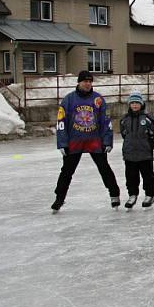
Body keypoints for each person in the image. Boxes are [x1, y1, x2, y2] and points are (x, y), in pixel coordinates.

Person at [51, 70, 120, 211]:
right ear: (79, 82)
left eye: (90, 81)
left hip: (94, 140)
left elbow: (105, 121)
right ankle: (59, 198)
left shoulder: (98, 99)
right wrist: (62, 143)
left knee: (104, 168)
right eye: (85, 81)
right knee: (66, 171)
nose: (88, 84)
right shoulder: (69, 99)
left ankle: (114, 195)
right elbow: (61, 122)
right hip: (74, 141)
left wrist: (107, 141)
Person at [119, 91, 154, 209]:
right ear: (129, 105)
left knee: (147, 176)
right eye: (132, 103)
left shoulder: (148, 118)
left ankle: (149, 195)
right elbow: (124, 134)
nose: (135, 105)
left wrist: (148, 146)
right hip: (130, 153)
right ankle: (132, 195)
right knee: (131, 176)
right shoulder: (124, 119)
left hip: (145, 154)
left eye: (137, 103)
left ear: (141, 104)